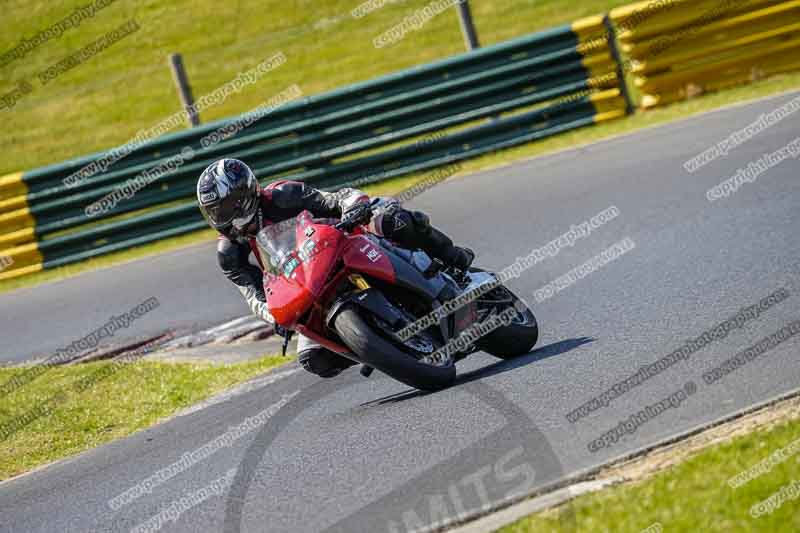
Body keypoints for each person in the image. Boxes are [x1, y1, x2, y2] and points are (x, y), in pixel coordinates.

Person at [197, 158, 473, 378]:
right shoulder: (230, 253)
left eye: (224, 207)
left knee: (391, 220)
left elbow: (336, 199)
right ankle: (381, 345)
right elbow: (255, 296)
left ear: (244, 194)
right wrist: (274, 316)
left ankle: (454, 261)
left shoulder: (283, 195)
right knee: (313, 358)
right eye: (213, 212)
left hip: (345, 239)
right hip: (307, 283)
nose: (220, 218)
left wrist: (352, 207)